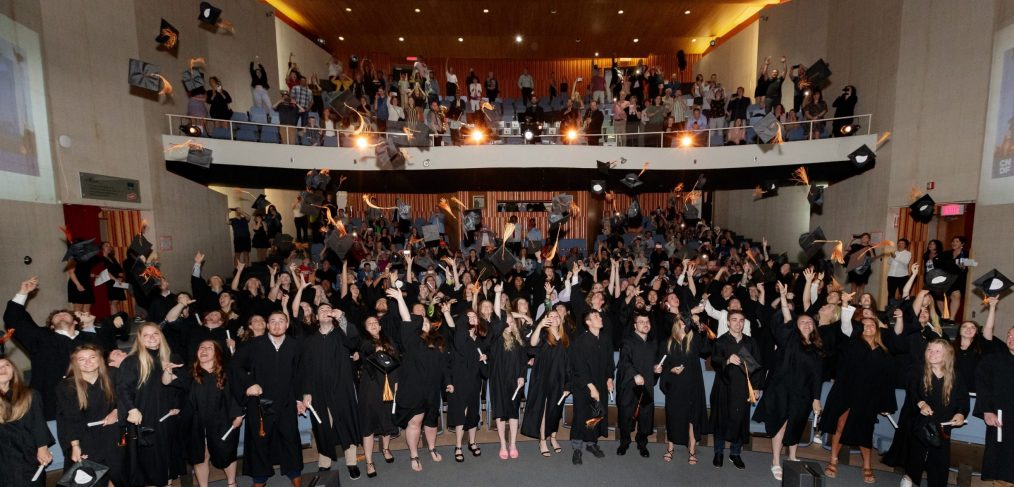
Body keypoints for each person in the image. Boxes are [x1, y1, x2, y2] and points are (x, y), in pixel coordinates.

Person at [5, 277, 105, 420]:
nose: (61, 315)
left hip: (90, 410)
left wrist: (89, 327)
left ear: (76, 322)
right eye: (56, 316)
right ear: (51, 326)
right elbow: (15, 321)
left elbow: (103, 356)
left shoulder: (89, 338)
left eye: (65, 314)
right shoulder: (41, 339)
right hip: (52, 410)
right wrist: (23, 293)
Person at [752, 282, 823, 481]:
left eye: (810, 322)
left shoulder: (816, 349)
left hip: (803, 393)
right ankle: (775, 461)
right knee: (781, 425)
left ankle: (792, 456)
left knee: (797, 425)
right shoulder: (789, 338)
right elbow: (786, 316)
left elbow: (817, 375)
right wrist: (783, 297)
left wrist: (816, 399)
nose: (807, 324)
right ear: (796, 326)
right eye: (803, 322)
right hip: (782, 390)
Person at [229, 312, 305, 487]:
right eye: (273, 322)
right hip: (261, 403)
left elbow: (301, 374)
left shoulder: (295, 346)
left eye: (281, 322)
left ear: (287, 325)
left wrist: (300, 398)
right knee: (259, 441)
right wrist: (249, 384)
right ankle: (260, 479)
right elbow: (234, 365)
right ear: (267, 325)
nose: (277, 325)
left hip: (286, 401)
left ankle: (295, 475)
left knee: (290, 439)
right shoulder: (254, 345)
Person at [822, 313, 896, 485]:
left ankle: (867, 466)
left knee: (865, 431)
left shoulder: (884, 352)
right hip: (847, 392)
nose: (868, 327)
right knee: (840, 426)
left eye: (872, 325)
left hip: (868, 397)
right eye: (864, 325)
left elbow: (887, 380)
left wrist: (886, 402)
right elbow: (840, 364)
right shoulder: (852, 344)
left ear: (877, 329)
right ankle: (833, 460)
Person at [386, 286, 449, 473]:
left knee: (431, 421)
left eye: (427, 322)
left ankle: (431, 448)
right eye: (421, 323)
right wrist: (399, 298)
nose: (424, 324)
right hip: (414, 387)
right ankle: (414, 455)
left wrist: (447, 383)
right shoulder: (411, 339)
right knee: (415, 422)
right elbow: (406, 318)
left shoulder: (437, 343)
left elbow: (444, 366)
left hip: (432, 388)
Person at [116, 323, 185, 487]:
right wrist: (132, 409)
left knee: (168, 465)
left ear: (161, 336)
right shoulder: (132, 362)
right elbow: (123, 388)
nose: (152, 337)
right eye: (146, 335)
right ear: (139, 339)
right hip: (146, 420)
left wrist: (177, 405)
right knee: (150, 468)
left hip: (169, 419)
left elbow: (182, 387)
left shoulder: (173, 358)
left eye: (155, 333)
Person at [299, 304, 362, 480]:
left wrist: (342, 318)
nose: (326, 312)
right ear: (317, 317)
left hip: (341, 388)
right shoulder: (310, 341)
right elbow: (305, 369)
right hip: (318, 391)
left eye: (329, 309)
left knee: (347, 424)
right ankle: (324, 463)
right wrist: (306, 392)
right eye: (321, 311)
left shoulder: (341, 334)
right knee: (322, 427)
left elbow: (354, 341)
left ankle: (351, 463)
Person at [898, 340, 969, 487]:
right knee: (916, 453)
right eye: (929, 349)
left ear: (946, 355)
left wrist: (961, 413)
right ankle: (909, 477)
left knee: (940, 460)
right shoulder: (918, 369)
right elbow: (912, 389)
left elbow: (963, 398)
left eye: (937, 351)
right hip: (921, 421)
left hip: (943, 424)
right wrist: (921, 403)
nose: (932, 353)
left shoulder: (955, 375)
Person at [56, 344, 125, 487]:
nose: (88, 362)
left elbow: (128, 398)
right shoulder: (67, 386)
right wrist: (75, 446)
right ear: (75, 363)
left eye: (92, 357)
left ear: (100, 359)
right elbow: (69, 419)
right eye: (81, 359)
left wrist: (117, 411)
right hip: (86, 438)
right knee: (93, 480)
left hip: (113, 434)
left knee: (120, 476)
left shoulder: (114, 374)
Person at [182, 340, 243, 487]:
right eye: (201, 347)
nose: (204, 350)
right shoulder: (189, 374)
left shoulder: (226, 371)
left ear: (216, 353)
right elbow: (179, 395)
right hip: (196, 422)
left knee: (226, 452)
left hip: (223, 420)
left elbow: (235, 394)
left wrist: (238, 414)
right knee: (199, 455)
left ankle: (232, 483)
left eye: (209, 348)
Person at [709, 310, 763, 469]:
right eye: (734, 320)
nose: (738, 323)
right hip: (723, 387)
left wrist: (757, 387)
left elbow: (757, 366)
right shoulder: (721, 341)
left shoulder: (750, 342)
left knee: (740, 422)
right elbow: (715, 362)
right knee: (721, 420)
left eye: (741, 320)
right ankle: (718, 453)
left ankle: (735, 454)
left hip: (743, 389)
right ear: (728, 322)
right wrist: (727, 360)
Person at [657, 314, 709, 465]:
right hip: (674, 385)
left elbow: (706, 350)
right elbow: (661, 365)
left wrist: (701, 330)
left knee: (692, 418)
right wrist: (670, 371)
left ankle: (692, 449)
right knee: (673, 416)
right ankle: (670, 447)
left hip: (693, 385)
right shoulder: (667, 343)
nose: (685, 324)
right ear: (677, 323)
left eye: (687, 322)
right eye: (683, 321)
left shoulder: (694, 340)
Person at [442, 302, 487, 462]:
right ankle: (458, 445)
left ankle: (472, 442)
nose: (472, 318)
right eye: (468, 316)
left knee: (474, 412)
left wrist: (484, 359)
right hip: (459, 380)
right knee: (461, 413)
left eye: (475, 316)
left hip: (475, 381)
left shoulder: (481, 340)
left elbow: (484, 363)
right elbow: (453, 326)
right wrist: (447, 313)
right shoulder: (459, 336)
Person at [486, 284, 527, 460]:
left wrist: (522, 377)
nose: (509, 323)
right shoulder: (495, 338)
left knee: (513, 412)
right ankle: (503, 444)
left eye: (511, 321)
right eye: (506, 321)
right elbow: (496, 315)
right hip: (499, 380)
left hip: (514, 381)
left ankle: (513, 444)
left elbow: (522, 361)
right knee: (501, 413)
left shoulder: (519, 340)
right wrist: (497, 294)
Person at [568, 310, 614, 466]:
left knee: (595, 415)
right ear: (588, 322)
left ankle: (591, 443)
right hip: (583, 386)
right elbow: (578, 367)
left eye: (600, 316)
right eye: (596, 317)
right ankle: (577, 449)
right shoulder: (580, 341)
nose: (600, 318)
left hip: (600, 384)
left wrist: (609, 378)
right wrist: (591, 387)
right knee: (581, 416)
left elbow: (609, 362)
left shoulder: (606, 339)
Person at [520, 310, 569, 456]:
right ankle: (542, 440)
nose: (554, 318)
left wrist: (568, 384)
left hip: (559, 379)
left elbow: (569, 363)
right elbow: (532, 343)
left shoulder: (565, 338)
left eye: (556, 316)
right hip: (543, 378)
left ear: (560, 321)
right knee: (544, 409)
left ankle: (553, 437)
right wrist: (540, 325)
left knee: (556, 409)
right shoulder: (542, 334)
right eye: (551, 316)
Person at [0, 357, 54, 487]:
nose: (2, 369)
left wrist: (43, 448)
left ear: (13, 370)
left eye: (6, 365)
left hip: (27, 456)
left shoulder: (30, 395)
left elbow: (39, 424)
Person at [357, 316, 399, 478]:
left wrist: (397, 383)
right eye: (370, 323)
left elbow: (396, 363)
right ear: (366, 328)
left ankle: (385, 448)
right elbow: (366, 354)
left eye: (376, 322)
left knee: (386, 418)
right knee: (368, 423)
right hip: (371, 388)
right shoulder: (365, 343)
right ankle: (369, 461)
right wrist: (377, 351)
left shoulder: (390, 341)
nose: (374, 325)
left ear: (380, 327)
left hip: (388, 386)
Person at [975, 326, 1014, 486]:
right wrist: (987, 410)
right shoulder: (994, 359)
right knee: (1001, 459)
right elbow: (982, 384)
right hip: (1001, 416)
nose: (1011, 338)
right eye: (1009, 335)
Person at [615, 313, 656, 458]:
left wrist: (657, 369)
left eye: (647, 321)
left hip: (646, 386)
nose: (645, 324)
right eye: (641, 322)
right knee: (626, 415)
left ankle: (642, 443)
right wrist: (634, 374)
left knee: (645, 416)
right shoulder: (628, 341)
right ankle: (624, 442)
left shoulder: (653, 343)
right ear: (635, 326)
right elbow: (624, 361)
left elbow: (654, 365)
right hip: (630, 385)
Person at [101, 242, 128, 315]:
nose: (109, 247)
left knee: (116, 302)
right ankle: (115, 321)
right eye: (106, 246)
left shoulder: (112, 258)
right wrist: (116, 280)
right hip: (109, 282)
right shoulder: (101, 259)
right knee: (114, 302)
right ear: (102, 248)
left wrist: (122, 277)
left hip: (117, 281)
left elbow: (119, 270)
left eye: (110, 246)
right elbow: (105, 272)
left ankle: (115, 319)